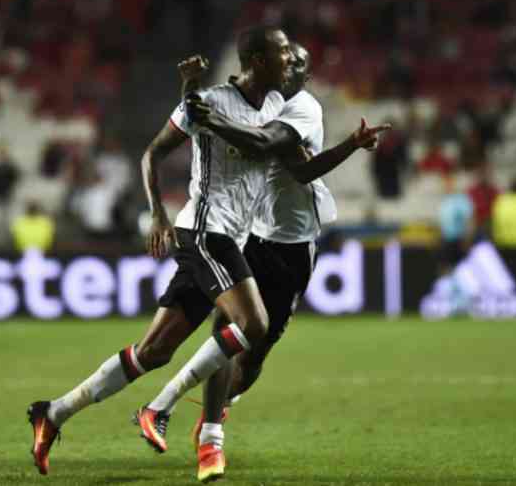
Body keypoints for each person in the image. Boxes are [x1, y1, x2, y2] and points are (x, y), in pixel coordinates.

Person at [26, 25, 294, 477]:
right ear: (257, 59)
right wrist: (157, 215)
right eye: (282, 52)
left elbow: (269, 151)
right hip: (207, 232)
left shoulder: (273, 106)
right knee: (254, 324)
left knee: (153, 352)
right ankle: (161, 408)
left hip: (232, 237)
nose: (290, 59)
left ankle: (52, 413)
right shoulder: (211, 101)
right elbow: (152, 154)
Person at [146, 45, 390, 483]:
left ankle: (214, 409)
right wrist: (195, 100)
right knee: (228, 327)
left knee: (254, 357)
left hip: (292, 247)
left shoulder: (303, 110)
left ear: (306, 75)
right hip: (249, 234)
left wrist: (351, 145)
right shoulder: (256, 102)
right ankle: (208, 434)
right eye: (285, 60)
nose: (289, 67)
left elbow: (296, 167)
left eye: (298, 63)